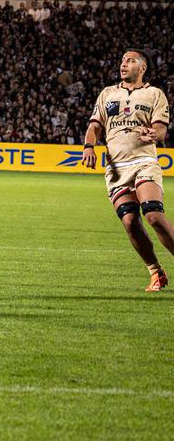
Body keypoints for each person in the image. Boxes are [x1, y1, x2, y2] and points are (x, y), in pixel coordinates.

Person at [82, 49, 172, 292]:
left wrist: (154, 134)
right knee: (130, 221)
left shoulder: (155, 94)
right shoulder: (107, 94)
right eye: (122, 60)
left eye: (130, 61)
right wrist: (89, 145)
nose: (124, 64)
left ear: (142, 68)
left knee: (153, 215)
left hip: (143, 161)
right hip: (116, 169)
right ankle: (156, 272)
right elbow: (94, 126)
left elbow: (160, 129)